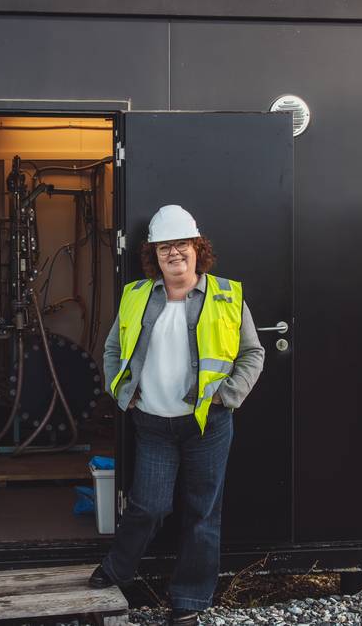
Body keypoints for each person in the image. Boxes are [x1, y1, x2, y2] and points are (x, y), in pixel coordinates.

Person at [88, 205, 265, 626]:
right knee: (147, 506)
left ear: (196, 248)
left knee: (202, 512)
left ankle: (189, 600)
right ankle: (117, 570)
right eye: (165, 247)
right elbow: (112, 350)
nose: (174, 254)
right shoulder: (137, 296)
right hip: (152, 424)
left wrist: (228, 396)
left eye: (182, 245)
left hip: (208, 424)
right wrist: (120, 391)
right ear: (155, 254)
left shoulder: (226, 295)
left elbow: (252, 354)